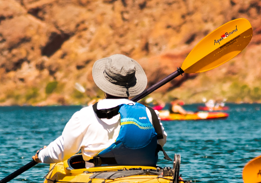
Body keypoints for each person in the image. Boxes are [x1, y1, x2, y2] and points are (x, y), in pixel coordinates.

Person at [35, 54, 167, 168]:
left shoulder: (85, 115)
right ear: (132, 84)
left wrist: (41, 155)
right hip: (145, 174)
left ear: (104, 84)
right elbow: (160, 141)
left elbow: (62, 150)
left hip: (100, 175)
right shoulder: (150, 113)